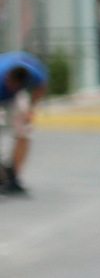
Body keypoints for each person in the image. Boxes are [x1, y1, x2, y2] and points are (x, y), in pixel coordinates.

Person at [0, 51, 49, 195]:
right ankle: (3, 174)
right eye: (10, 84)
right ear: (6, 78)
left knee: (24, 132)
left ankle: (14, 178)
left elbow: (42, 87)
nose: (12, 87)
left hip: (16, 98)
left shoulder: (36, 74)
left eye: (16, 85)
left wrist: (31, 109)